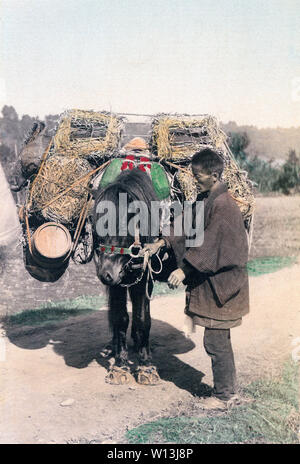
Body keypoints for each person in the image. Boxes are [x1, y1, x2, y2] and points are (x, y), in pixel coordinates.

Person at [144, 148, 249, 410]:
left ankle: (224, 396)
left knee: (215, 341)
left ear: (214, 175)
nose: (194, 179)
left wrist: (184, 270)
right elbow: (184, 222)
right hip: (218, 284)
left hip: (223, 285)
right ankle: (229, 391)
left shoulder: (223, 206)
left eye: (198, 175)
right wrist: (161, 243)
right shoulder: (207, 199)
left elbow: (209, 247)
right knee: (219, 339)